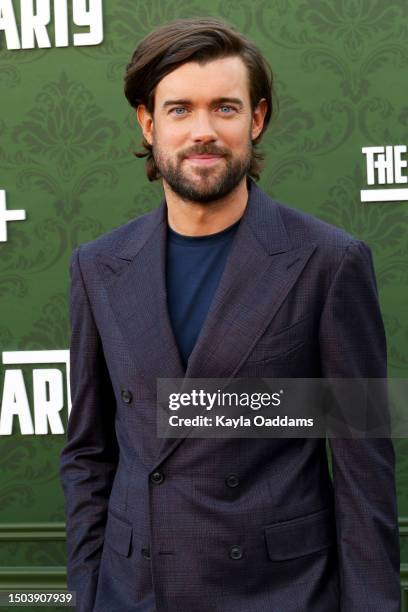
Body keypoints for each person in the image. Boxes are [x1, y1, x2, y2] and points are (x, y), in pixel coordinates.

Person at [59, 17, 401, 612]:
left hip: (281, 594)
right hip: (134, 592)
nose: (203, 131)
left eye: (224, 108)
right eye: (179, 110)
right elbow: (88, 452)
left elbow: (361, 464)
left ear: (256, 118)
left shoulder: (329, 261)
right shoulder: (98, 266)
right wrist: (87, 591)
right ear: (148, 122)